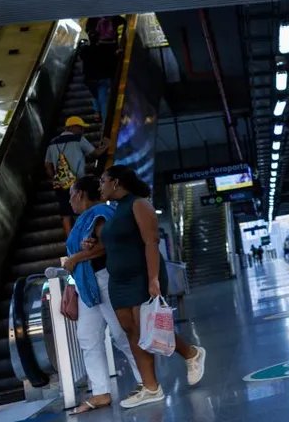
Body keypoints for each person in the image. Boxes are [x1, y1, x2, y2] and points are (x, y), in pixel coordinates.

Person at [94, 165, 206, 409]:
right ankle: (151, 387)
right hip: (119, 281)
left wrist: (153, 278)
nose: (99, 186)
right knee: (131, 330)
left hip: (141, 276)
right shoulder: (115, 211)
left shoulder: (139, 204)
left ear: (115, 182)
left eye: (102, 181)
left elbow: (151, 241)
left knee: (148, 328)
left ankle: (191, 354)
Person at [62, 176, 143, 414]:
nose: (70, 201)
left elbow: (107, 245)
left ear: (79, 194)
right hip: (87, 284)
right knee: (87, 336)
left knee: (121, 333)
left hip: (105, 279)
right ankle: (100, 392)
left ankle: (144, 381)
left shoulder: (100, 213)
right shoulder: (85, 220)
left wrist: (76, 258)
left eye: (71, 195)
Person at [45, 117, 109, 235]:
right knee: (84, 207)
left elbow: (48, 165)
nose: (82, 130)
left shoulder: (52, 143)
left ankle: (71, 240)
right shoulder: (78, 139)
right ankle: (88, 235)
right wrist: (106, 145)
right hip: (78, 182)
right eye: (80, 127)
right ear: (71, 127)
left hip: (61, 183)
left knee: (65, 213)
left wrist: (54, 178)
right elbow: (95, 154)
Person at [80, 16, 125, 123]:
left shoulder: (85, 50)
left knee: (95, 95)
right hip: (103, 77)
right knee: (103, 100)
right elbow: (111, 60)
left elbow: (83, 59)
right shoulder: (104, 50)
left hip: (91, 79)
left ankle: (97, 113)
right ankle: (106, 123)